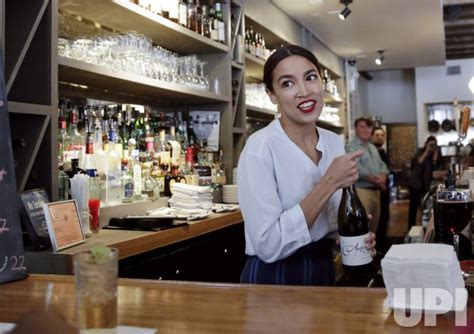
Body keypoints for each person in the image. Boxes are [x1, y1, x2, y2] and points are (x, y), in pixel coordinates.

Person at [237, 44, 376, 286]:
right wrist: (329, 182)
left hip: (324, 269)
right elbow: (268, 245)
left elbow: (326, 222)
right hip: (275, 276)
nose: (304, 91)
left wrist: (344, 237)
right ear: (272, 95)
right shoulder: (259, 148)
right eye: (287, 83)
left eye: (310, 78)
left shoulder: (333, 142)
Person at [345, 118, 389, 235]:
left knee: (374, 228)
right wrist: (378, 181)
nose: (366, 130)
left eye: (368, 127)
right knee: (364, 227)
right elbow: (357, 168)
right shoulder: (350, 147)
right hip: (362, 191)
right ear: (355, 129)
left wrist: (383, 177)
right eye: (362, 127)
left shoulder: (372, 147)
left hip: (376, 192)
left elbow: (382, 165)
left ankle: (371, 253)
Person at [408, 136, 442, 228]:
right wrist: (427, 151)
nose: (432, 146)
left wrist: (435, 155)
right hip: (415, 183)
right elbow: (417, 162)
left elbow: (435, 170)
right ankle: (410, 228)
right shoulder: (420, 151)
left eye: (434, 145)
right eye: (430, 144)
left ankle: (424, 226)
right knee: (413, 207)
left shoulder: (437, 154)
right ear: (426, 144)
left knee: (426, 206)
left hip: (426, 184)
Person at [371, 126, 390, 252]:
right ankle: (376, 247)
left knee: (385, 216)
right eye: (377, 135)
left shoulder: (383, 151)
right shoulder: (371, 151)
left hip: (383, 188)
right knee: (376, 220)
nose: (380, 137)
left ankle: (382, 246)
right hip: (374, 189)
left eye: (382, 135)